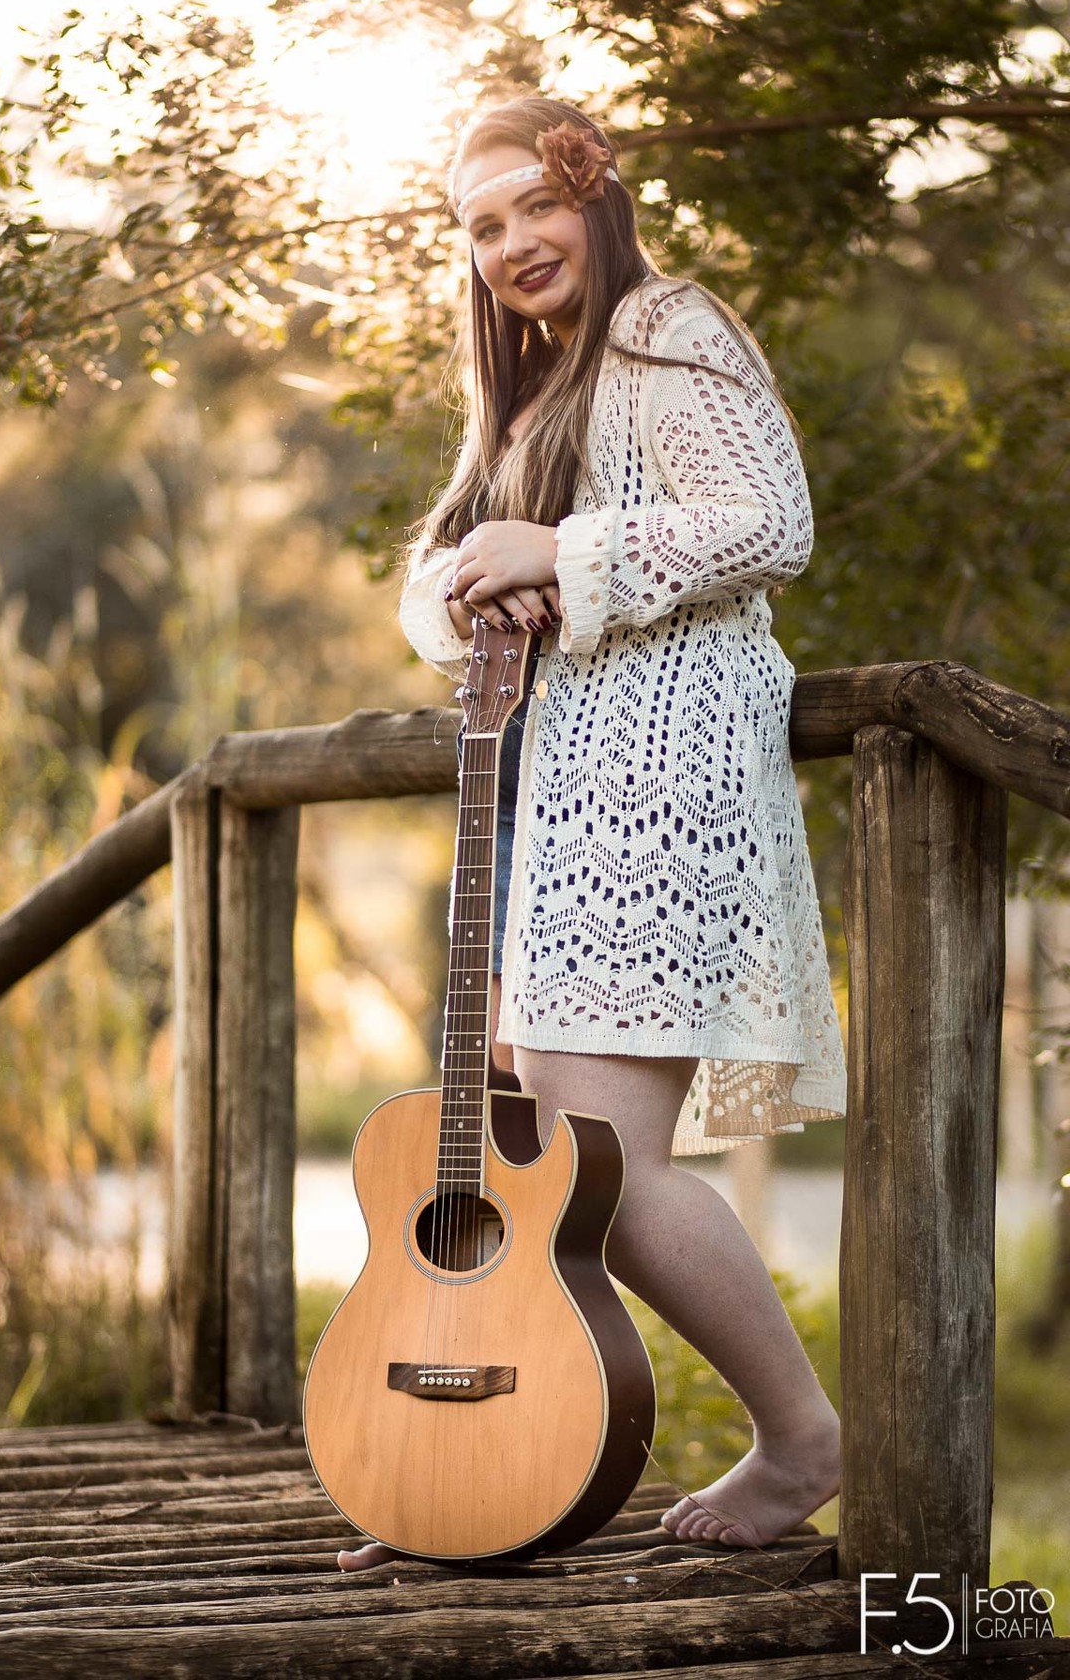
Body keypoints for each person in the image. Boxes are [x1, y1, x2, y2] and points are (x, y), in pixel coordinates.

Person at [337, 97, 846, 1572]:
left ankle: (803, 1442)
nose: (509, 246)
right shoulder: (543, 384)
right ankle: (504, 1466)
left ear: (596, 195)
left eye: (529, 209)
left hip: (665, 790)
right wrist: (484, 574)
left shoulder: (665, 331)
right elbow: (434, 584)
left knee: (597, 1174)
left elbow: (770, 522)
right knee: (555, 1171)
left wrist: (561, 552)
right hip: (561, 804)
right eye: (479, 229)